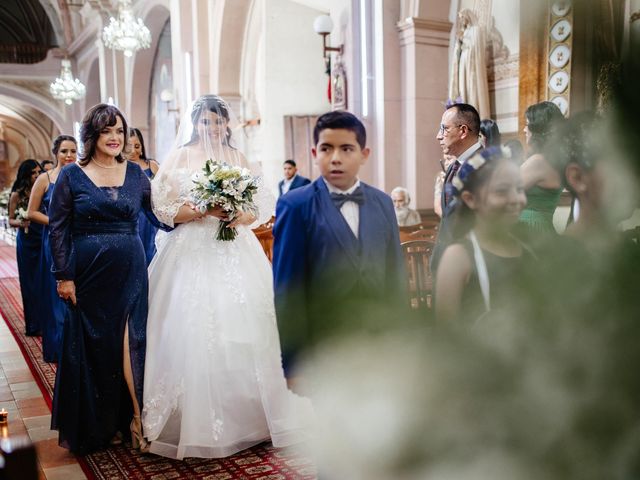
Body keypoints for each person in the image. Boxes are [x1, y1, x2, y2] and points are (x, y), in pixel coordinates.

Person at [142, 94, 312, 460]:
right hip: (192, 249)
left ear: (226, 124)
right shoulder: (179, 158)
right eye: (206, 122)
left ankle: (257, 417)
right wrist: (203, 207)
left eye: (218, 122)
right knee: (196, 328)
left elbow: (259, 205)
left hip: (235, 246)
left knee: (249, 327)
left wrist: (238, 216)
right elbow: (165, 210)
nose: (212, 128)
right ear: (194, 124)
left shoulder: (237, 158)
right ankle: (198, 422)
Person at [48, 104, 164, 454]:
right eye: (106, 131)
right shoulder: (72, 175)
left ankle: (137, 420)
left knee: (133, 340)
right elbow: (58, 228)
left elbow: (161, 215)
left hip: (130, 268)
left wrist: (204, 212)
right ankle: (100, 424)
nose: (115, 138)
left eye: (119, 131)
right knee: (97, 346)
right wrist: (64, 275)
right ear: (92, 136)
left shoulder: (136, 175)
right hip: (88, 273)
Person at [272, 110, 406, 369]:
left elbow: (395, 273)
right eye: (326, 149)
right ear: (314, 154)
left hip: (380, 342)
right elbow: (287, 290)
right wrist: (293, 363)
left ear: (364, 154)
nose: (336, 158)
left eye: (346, 149)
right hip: (322, 347)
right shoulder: (295, 204)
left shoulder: (383, 202)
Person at [435, 147, 532, 322]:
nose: (515, 199)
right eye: (501, 191)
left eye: (519, 189)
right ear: (470, 199)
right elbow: (445, 336)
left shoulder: (528, 248)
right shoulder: (458, 257)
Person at [26, 135, 77, 362]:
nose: (69, 156)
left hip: (78, 240)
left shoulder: (81, 175)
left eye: (73, 151)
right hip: (55, 240)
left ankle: (78, 348)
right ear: (56, 153)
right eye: (64, 151)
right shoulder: (46, 179)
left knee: (79, 292)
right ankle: (58, 348)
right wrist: (57, 222)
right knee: (55, 293)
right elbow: (31, 212)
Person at [431, 103, 483, 274]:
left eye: (444, 129)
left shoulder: (485, 166)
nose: (439, 136)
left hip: (469, 266)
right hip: (446, 260)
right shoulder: (454, 167)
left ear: (463, 131)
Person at [519, 101, 565, 240]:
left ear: (538, 129)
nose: (524, 130)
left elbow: (503, 191)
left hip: (530, 232)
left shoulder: (538, 162)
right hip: (543, 229)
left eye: (527, 125)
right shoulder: (557, 160)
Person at [8, 159, 43, 336]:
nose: (37, 175)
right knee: (30, 282)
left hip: (42, 236)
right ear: (26, 175)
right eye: (33, 173)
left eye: (39, 172)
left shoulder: (43, 189)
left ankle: (45, 322)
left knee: (43, 281)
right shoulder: (17, 194)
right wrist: (22, 221)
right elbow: (10, 220)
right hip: (28, 239)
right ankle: (33, 324)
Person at [128, 128, 159, 265]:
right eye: (129, 147)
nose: (134, 151)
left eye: (137, 146)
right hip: (132, 217)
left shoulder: (151, 165)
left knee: (151, 253)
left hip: (150, 216)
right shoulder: (120, 167)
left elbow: (164, 188)